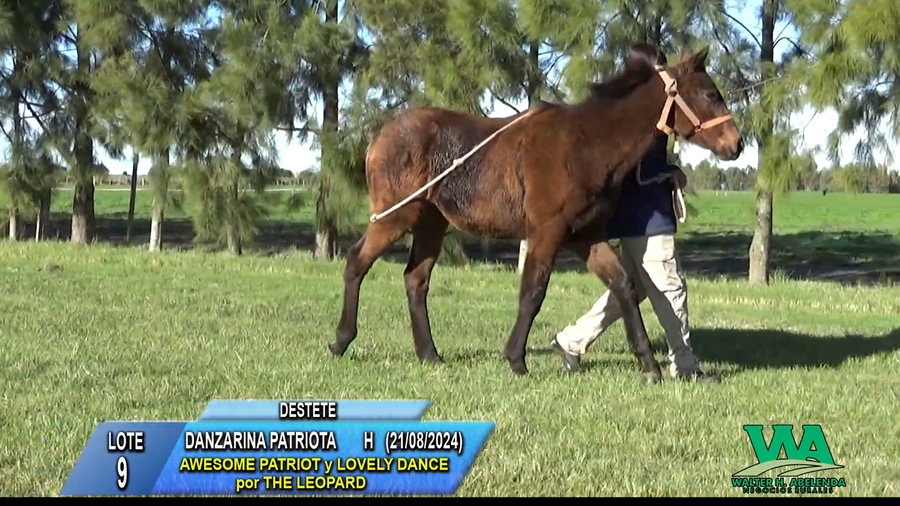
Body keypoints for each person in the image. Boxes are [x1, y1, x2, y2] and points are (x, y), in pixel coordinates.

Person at [549, 133, 720, 383]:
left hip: (632, 221)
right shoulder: (648, 121)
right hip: (649, 221)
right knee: (671, 291)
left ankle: (571, 341)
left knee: (630, 290)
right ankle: (685, 367)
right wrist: (670, 172)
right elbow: (642, 170)